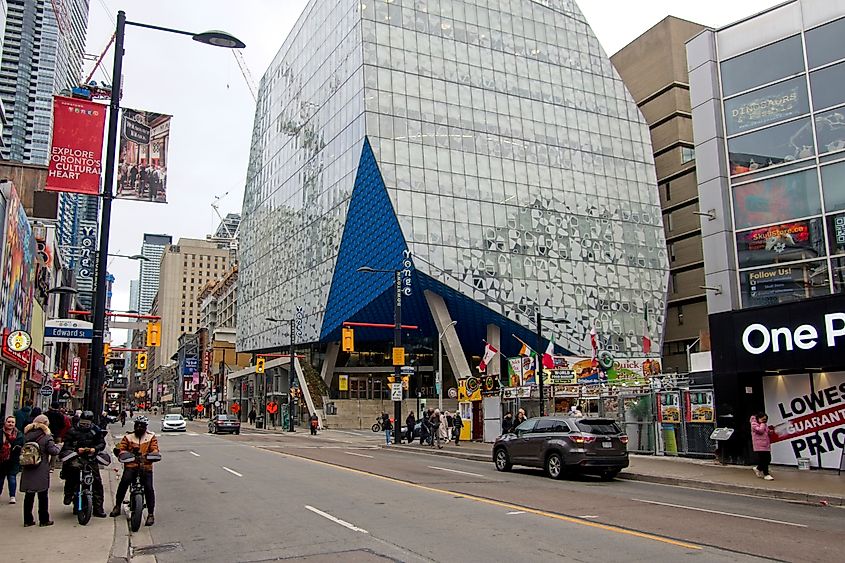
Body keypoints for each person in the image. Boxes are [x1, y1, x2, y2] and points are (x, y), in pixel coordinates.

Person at [110, 416, 160, 526]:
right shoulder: (128, 437)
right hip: (131, 466)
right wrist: (122, 453)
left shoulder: (151, 437)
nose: (139, 427)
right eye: (137, 425)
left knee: (149, 488)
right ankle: (117, 506)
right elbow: (121, 449)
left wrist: (152, 455)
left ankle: (150, 514)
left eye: (142, 426)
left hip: (145, 467)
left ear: (146, 427)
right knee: (124, 482)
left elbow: (155, 449)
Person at [61, 411, 107, 517]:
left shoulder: (96, 430)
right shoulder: (72, 431)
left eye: (87, 422)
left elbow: (102, 443)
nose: (85, 424)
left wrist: (94, 449)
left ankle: (98, 508)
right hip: (76, 457)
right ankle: (70, 496)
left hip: (91, 458)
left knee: (97, 482)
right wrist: (76, 450)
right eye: (83, 422)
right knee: (72, 476)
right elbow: (66, 446)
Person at [20, 414, 60, 526]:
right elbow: (54, 451)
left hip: (28, 466)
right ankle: (44, 519)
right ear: (45, 424)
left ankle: (27, 520)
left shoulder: (26, 435)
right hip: (41, 467)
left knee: (29, 495)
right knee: (42, 495)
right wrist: (58, 447)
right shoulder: (47, 437)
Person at [0, 415, 24, 504]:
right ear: (5, 423)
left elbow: (22, 445)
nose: (10, 424)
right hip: (1, 460)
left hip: (13, 459)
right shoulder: (0, 433)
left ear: (15, 424)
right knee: (0, 479)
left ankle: (12, 496)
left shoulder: (19, 434)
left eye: (12, 422)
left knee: (12, 477)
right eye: (9, 422)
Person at [750, 412, 774, 481]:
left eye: (765, 420)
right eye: (762, 419)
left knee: (768, 459)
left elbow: (766, 431)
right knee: (763, 459)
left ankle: (758, 468)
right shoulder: (754, 424)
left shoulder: (764, 425)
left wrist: (770, 431)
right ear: (758, 418)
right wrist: (763, 424)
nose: (764, 421)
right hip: (759, 445)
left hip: (766, 444)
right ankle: (766, 474)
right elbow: (760, 431)